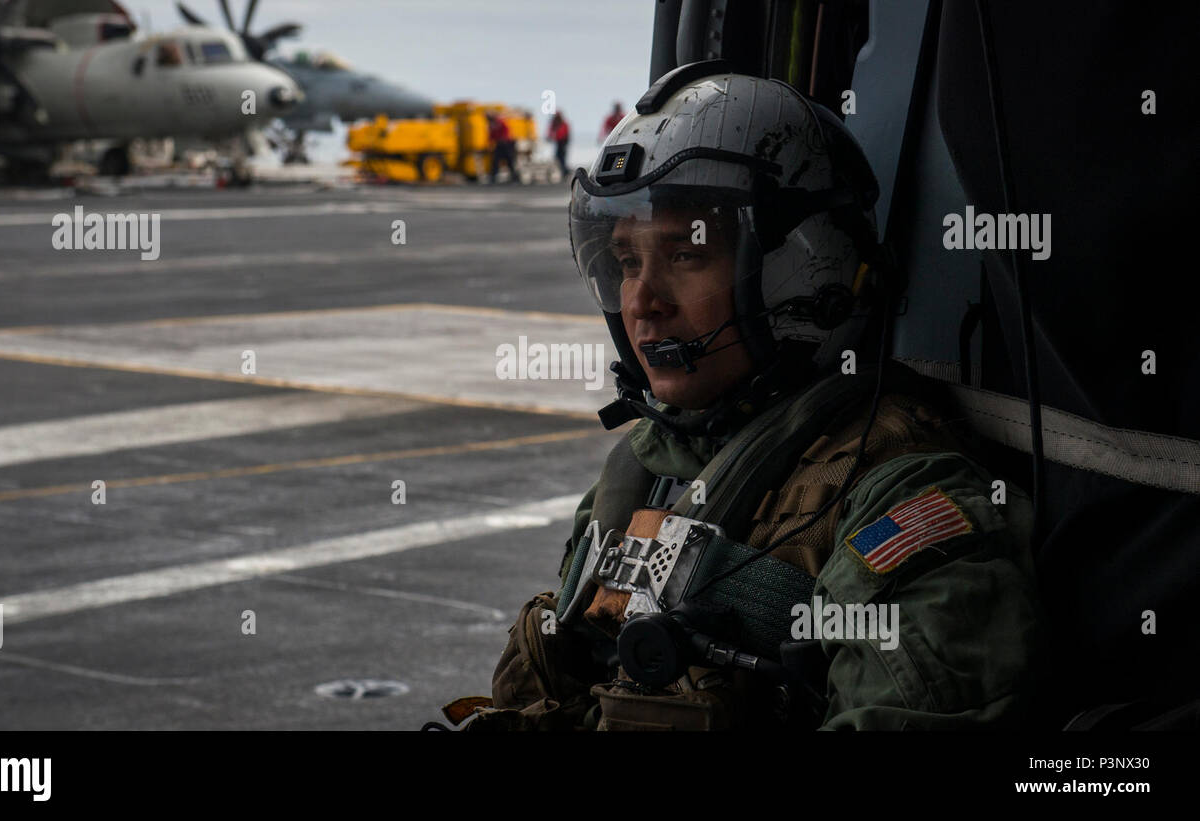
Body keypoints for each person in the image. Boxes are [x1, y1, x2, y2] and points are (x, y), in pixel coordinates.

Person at [437, 67, 1046, 731]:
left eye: (685, 255)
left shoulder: (903, 498)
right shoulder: (648, 467)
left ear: (803, 270)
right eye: (627, 261)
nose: (642, 301)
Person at [486, 111, 521, 184]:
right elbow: (491, 135)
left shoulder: (500, 122)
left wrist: (503, 139)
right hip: (499, 144)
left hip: (506, 144)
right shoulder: (492, 124)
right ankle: (493, 177)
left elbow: (506, 131)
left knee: (510, 161)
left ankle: (514, 177)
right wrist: (490, 143)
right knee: (495, 161)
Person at [547, 111, 571, 179]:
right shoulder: (555, 124)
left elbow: (566, 133)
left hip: (563, 142)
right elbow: (551, 131)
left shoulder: (563, 123)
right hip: (558, 142)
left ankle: (565, 171)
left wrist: (566, 141)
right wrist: (549, 137)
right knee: (558, 157)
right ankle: (564, 171)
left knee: (561, 157)